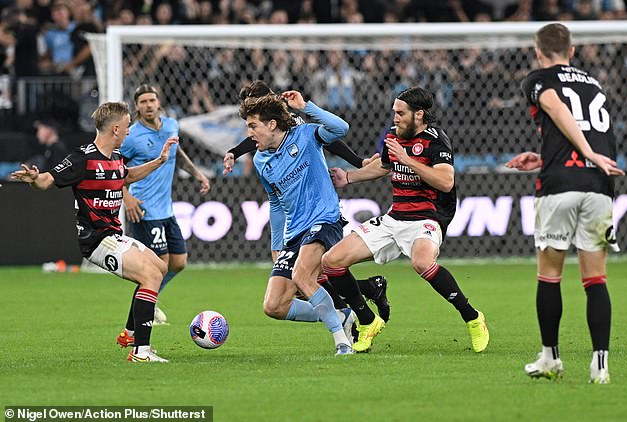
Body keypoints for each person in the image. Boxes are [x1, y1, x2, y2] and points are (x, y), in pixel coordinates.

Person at [323, 87, 490, 353]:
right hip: (394, 217)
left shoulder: (437, 141)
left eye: (401, 113)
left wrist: (408, 160)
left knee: (422, 262)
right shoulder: (393, 135)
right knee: (331, 262)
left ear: (419, 114)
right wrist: (349, 177)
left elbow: (446, 182)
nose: (395, 118)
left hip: (426, 218)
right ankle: (367, 320)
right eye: (394, 112)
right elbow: (384, 165)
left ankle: (472, 317)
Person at [11, 101, 177, 363]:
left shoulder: (116, 158)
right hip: (97, 241)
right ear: (115, 129)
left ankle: (130, 333)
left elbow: (127, 176)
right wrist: (34, 178)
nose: (129, 132)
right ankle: (141, 352)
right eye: (126, 127)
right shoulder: (82, 158)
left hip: (113, 235)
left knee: (160, 267)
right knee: (149, 275)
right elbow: (47, 181)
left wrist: (159, 161)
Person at [506, 23, 624, 384]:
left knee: (550, 274)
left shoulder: (538, 79)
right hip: (599, 185)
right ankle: (600, 366)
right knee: (595, 278)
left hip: (560, 187)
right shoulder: (593, 83)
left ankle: (550, 358)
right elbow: (586, 130)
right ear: (572, 51)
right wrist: (545, 158)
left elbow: (557, 108)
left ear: (539, 51)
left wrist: (583, 152)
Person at [224, 80, 391, 323]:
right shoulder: (263, 152)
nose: (250, 129)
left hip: (319, 206)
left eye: (253, 119)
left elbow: (330, 136)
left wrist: (357, 162)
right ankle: (366, 292)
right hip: (296, 222)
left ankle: (355, 317)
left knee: (307, 276)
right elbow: (275, 200)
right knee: (311, 277)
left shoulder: (294, 125)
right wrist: (234, 152)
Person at [120, 84, 210, 328]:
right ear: (136, 107)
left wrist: (197, 173)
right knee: (155, 268)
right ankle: (133, 325)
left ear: (158, 102)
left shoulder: (171, 125)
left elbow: (176, 154)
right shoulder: (131, 136)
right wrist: (126, 197)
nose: (148, 105)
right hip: (143, 209)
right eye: (143, 101)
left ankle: (150, 298)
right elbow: (113, 169)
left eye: (152, 100)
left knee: (178, 262)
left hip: (166, 209)